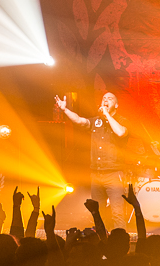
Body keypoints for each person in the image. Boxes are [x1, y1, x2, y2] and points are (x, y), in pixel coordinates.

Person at [55, 92, 129, 228]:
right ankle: (101, 238)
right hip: (96, 174)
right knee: (98, 213)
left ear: (116, 105)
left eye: (110, 99)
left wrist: (106, 114)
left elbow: (120, 132)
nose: (105, 100)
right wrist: (65, 110)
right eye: (104, 98)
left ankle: (119, 239)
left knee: (117, 213)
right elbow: (79, 120)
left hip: (114, 174)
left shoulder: (122, 121)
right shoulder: (96, 121)